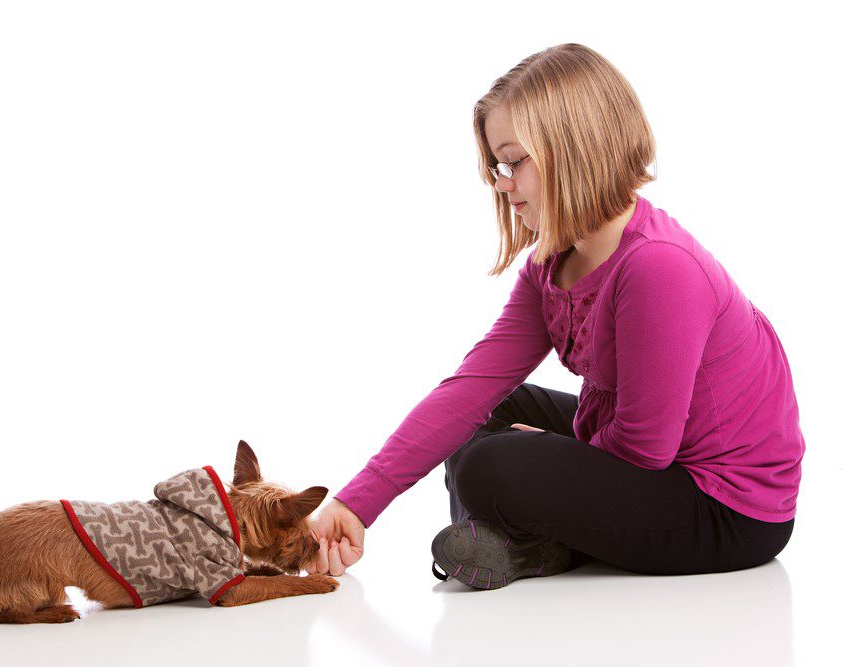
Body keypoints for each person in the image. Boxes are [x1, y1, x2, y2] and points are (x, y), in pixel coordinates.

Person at [305, 43, 804, 588]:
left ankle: (522, 542)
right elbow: (472, 386)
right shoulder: (552, 263)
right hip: (647, 461)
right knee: (489, 413)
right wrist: (356, 504)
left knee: (490, 467)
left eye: (513, 161)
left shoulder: (659, 267)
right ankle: (517, 549)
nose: (500, 182)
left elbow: (645, 449)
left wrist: (551, 453)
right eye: (497, 165)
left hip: (725, 509)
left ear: (574, 148)